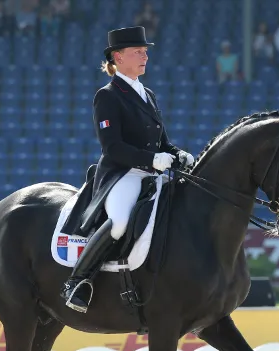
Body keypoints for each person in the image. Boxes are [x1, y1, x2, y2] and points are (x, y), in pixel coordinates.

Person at [60, 26, 195, 313]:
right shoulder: (107, 96)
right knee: (120, 222)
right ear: (118, 57)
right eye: (138, 52)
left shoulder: (148, 94)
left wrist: (178, 154)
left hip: (152, 172)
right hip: (122, 174)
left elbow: (163, 142)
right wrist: (151, 159)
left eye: (145, 51)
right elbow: (113, 148)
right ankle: (78, 280)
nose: (145, 55)